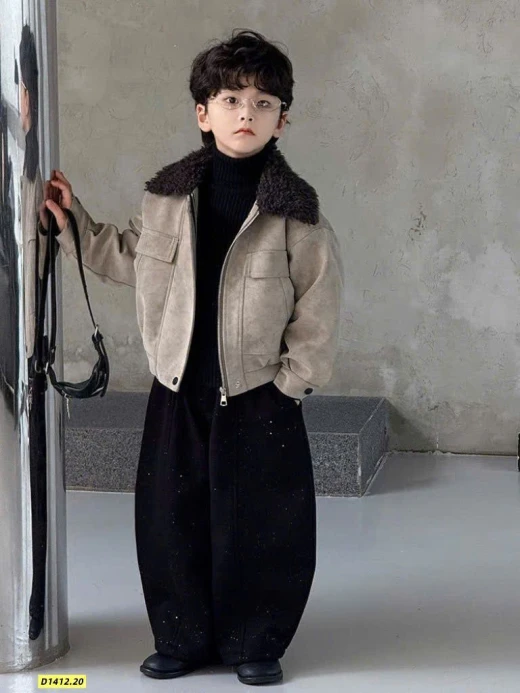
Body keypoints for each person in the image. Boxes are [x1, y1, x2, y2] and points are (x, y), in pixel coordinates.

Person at [39, 29, 344, 686]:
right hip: (177, 388)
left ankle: (255, 639)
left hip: (260, 393)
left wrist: (290, 385)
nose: (245, 113)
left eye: (263, 103)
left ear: (283, 120)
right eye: (230, 99)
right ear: (203, 113)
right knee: (170, 518)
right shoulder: (167, 200)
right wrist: (73, 224)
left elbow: (318, 308)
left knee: (261, 522)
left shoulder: (297, 216)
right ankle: (181, 636)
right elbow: (131, 257)